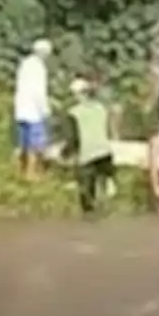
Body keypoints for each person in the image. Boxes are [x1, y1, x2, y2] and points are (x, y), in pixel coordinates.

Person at [64, 78, 118, 216]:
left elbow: (74, 139)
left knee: (87, 199)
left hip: (87, 156)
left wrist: (65, 153)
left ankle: (90, 216)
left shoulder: (73, 113)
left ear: (77, 95)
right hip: (105, 154)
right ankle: (107, 208)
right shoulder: (101, 108)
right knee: (103, 189)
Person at [13, 38, 53, 180]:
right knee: (34, 144)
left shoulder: (25, 63)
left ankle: (18, 171)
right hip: (34, 110)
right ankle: (31, 174)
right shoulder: (39, 68)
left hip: (21, 107)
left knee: (21, 142)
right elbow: (39, 92)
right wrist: (45, 110)